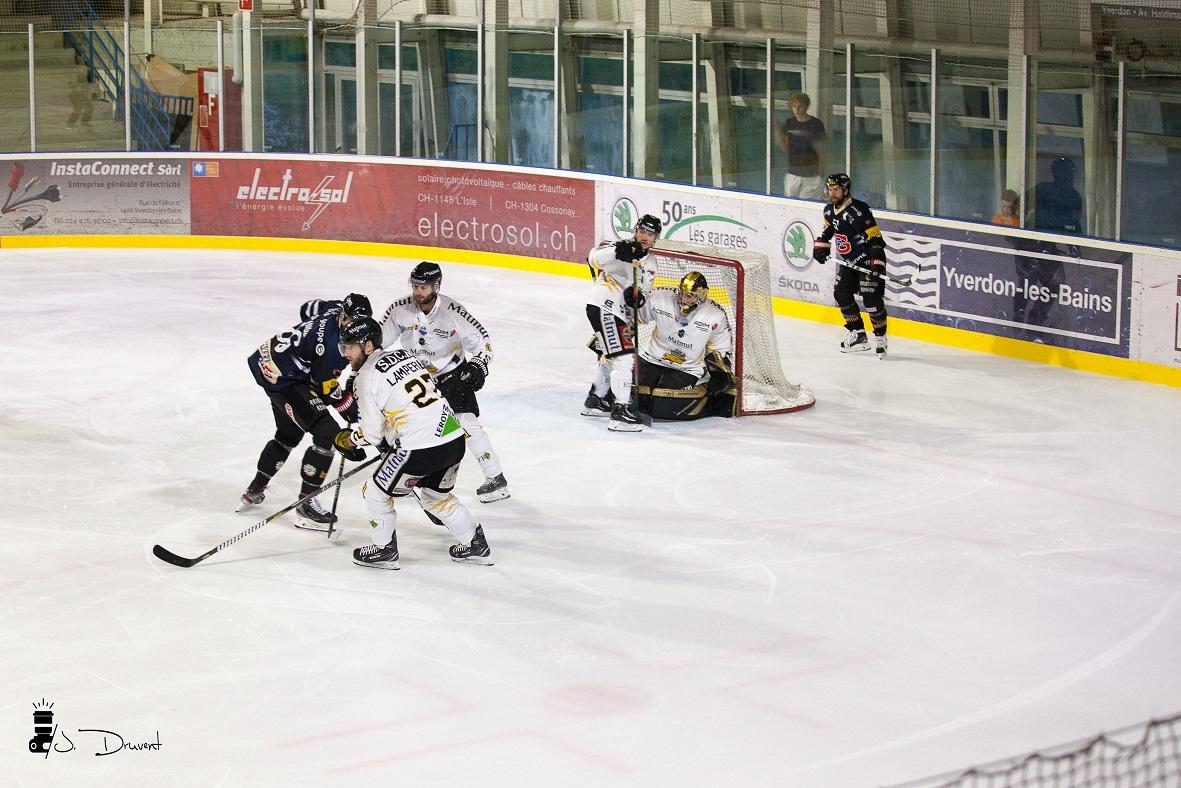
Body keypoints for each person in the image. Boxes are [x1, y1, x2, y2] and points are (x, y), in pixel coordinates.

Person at [332, 318, 493, 569]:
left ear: (369, 345)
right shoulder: (405, 355)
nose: (346, 354)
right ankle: (475, 544)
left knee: (375, 492)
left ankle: (383, 549)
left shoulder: (364, 379)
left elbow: (372, 434)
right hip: (453, 439)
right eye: (344, 347)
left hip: (418, 448)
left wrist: (351, 441)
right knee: (435, 496)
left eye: (350, 347)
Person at [240, 293, 373, 530]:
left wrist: (308, 339)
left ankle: (255, 489)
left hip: (269, 361)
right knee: (327, 433)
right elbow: (324, 386)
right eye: (350, 321)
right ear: (343, 315)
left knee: (288, 435)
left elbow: (307, 308)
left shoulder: (334, 308)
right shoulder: (332, 348)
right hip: (284, 379)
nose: (352, 327)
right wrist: (351, 411)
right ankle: (306, 505)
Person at [378, 261, 509, 503]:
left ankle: (495, 477)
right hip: (418, 378)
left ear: (437, 285)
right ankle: (407, 476)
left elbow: (483, 342)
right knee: (403, 423)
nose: (418, 292)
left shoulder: (452, 312)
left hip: (451, 374)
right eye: (415, 286)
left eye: (424, 287)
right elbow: (377, 343)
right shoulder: (400, 309)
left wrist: (478, 365)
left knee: (465, 423)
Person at [583, 213, 662, 432]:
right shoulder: (620, 246)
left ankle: (596, 400)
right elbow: (592, 258)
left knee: (611, 356)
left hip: (619, 314)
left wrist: (638, 298)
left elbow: (643, 291)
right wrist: (617, 251)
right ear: (635, 231)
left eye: (650, 234)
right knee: (625, 359)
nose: (645, 237)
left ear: (655, 238)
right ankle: (620, 412)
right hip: (604, 307)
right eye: (642, 231)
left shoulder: (651, 263)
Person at [626, 271, 737, 420]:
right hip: (651, 358)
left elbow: (720, 348)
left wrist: (720, 373)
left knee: (663, 400)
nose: (684, 299)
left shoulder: (715, 315)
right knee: (635, 389)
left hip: (686, 368)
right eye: (682, 293)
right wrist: (633, 305)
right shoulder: (661, 297)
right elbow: (635, 316)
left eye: (690, 295)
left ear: (702, 295)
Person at [812, 173, 889, 358]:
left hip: (868, 262)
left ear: (846, 190)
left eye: (836, 189)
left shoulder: (859, 211)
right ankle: (858, 334)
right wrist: (821, 247)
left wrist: (876, 262)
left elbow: (875, 239)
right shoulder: (829, 210)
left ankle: (880, 337)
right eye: (830, 189)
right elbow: (828, 231)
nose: (832, 193)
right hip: (849, 263)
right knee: (841, 294)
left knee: (871, 300)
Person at [774, 92, 827, 200]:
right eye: (794, 106)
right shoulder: (789, 123)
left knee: (809, 202)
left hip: (812, 173)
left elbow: (821, 148)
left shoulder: (816, 124)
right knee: (790, 202)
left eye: (800, 107)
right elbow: (785, 147)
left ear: (806, 107)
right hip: (793, 172)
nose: (796, 110)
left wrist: (822, 166)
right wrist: (778, 133)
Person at [1033, 157, 1085, 235]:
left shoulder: (1074, 195)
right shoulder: (1042, 189)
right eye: (1068, 171)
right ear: (1056, 173)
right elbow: (1021, 204)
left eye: (1072, 172)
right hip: (1040, 235)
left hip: (1066, 237)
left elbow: (1075, 221)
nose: (1071, 176)